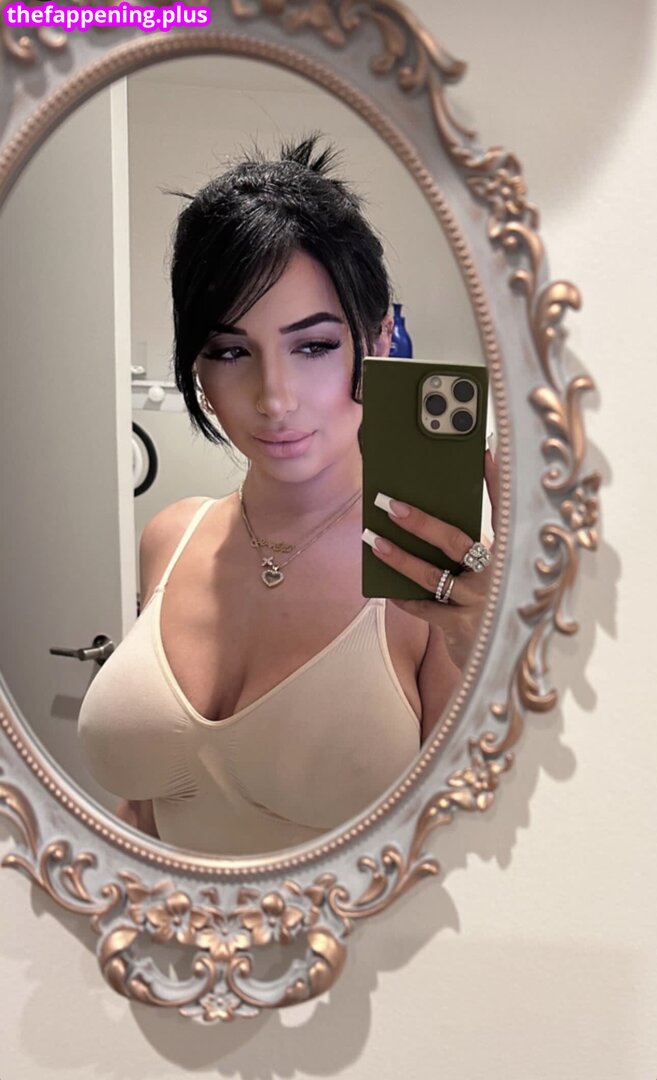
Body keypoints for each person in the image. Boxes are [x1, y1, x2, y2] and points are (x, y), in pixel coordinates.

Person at [77, 134, 497, 856]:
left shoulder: (435, 573)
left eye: (313, 346)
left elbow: (466, 849)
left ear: (379, 338)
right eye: (230, 351)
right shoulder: (169, 537)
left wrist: (494, 653)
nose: (273, 398)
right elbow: (149, 807)